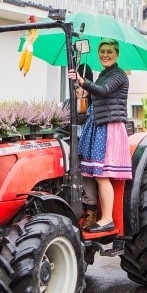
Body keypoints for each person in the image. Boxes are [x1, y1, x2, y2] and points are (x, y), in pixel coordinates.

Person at [67, 40, 132, 232]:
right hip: (98, 124)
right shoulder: (104, 74)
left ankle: (107, 219)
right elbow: (98, 94)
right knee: (94, 173)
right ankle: (92, 211)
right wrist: (83, 88)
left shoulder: (118, 75)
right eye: (102, 51)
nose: (105, 55)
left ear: (117, 54)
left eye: (109, 51)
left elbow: (103, 91)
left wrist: (83, 81)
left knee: (102, 174)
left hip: (109, 126)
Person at [63, 64, 99, 228]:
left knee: (86, 171)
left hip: (88, 144)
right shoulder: (68, 103)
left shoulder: (94, 105)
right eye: (76, 87)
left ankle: (91, 210)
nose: (79, 90)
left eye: (82, 86)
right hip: (70, 143)